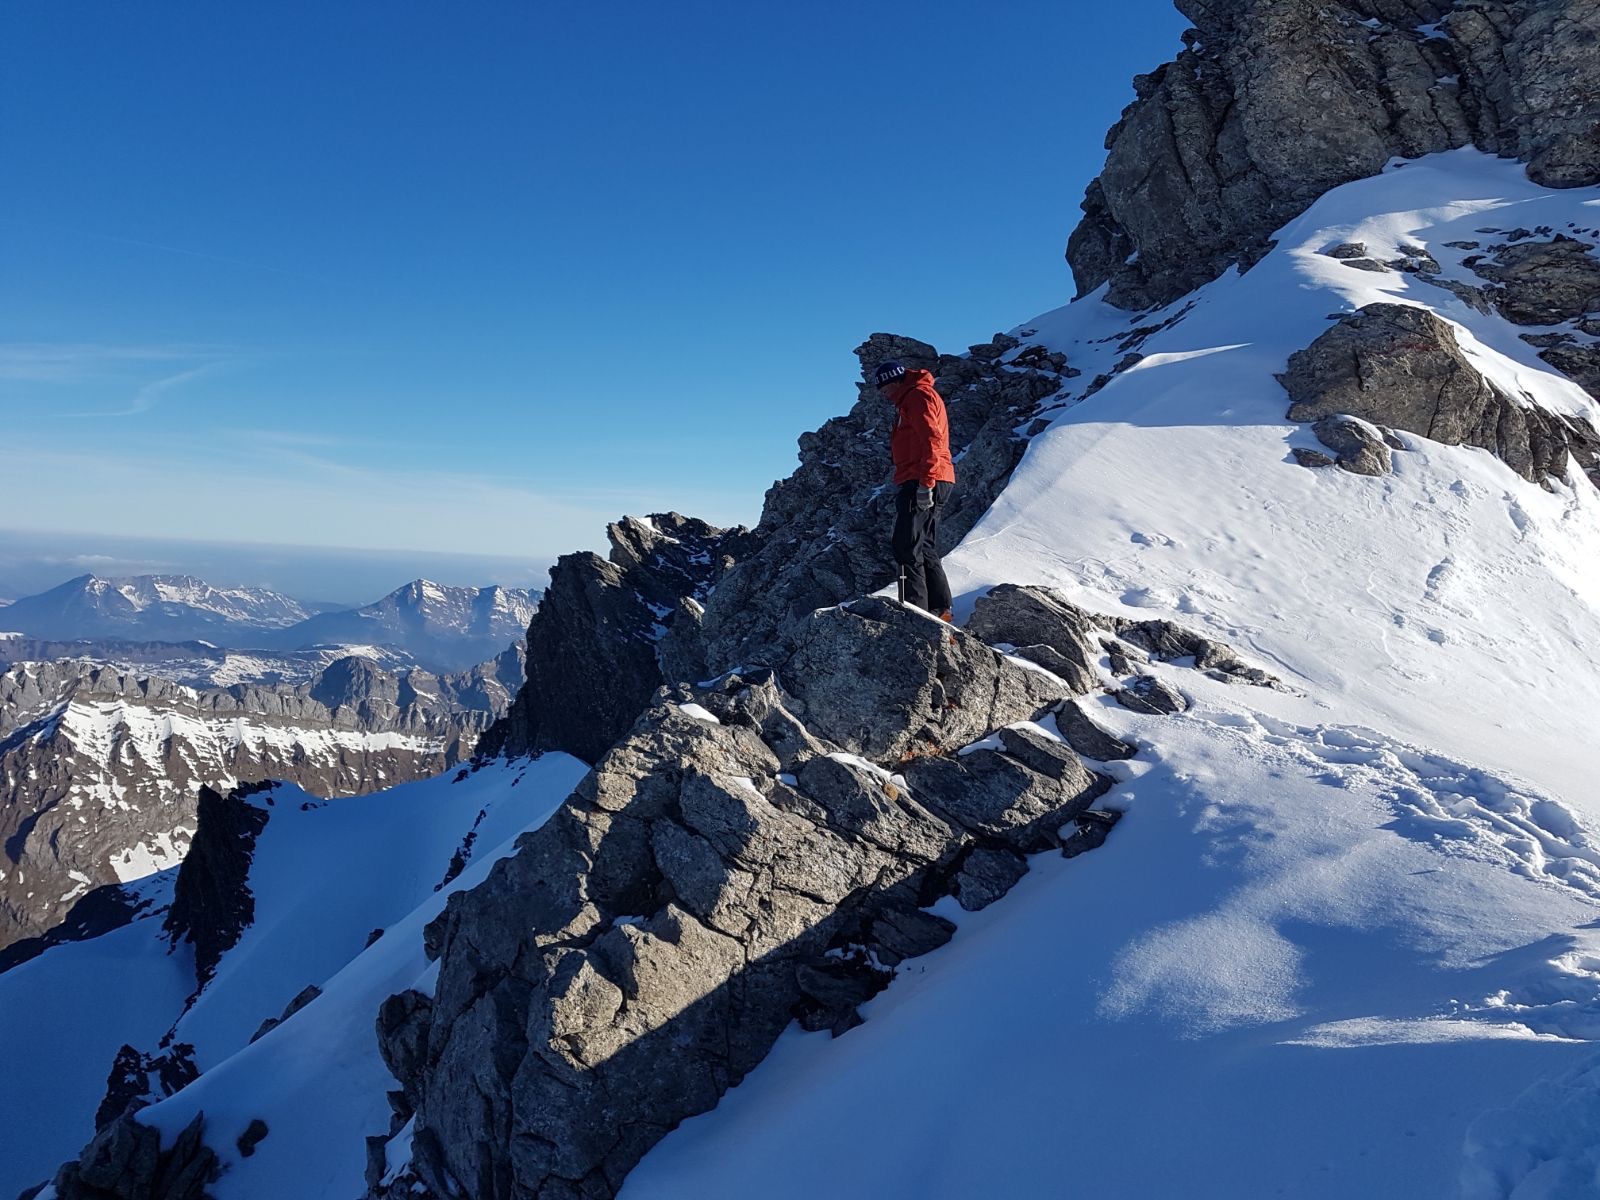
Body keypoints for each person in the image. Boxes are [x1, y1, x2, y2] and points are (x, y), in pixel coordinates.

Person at [874, 359, 956, 621]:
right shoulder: (913, 397)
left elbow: (932, 440)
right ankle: (940, 610)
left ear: (896, 381)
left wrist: (925, 483)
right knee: (924, 545)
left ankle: (916, 613)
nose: (884, 394)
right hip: (933, 476)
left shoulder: (917, 396)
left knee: (906, 545)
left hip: (922, 477)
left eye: (885, 388)